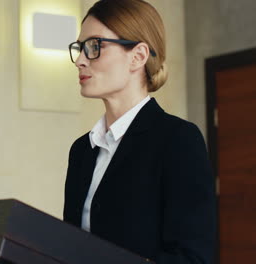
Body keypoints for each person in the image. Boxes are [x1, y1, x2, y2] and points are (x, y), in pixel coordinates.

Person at [63, 0, 217, 263]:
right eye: (79, 48)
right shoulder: (81, 150)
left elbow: (193, 257)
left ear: (138, 56)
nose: (80, 61)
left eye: (94, 47)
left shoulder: (178, 140)